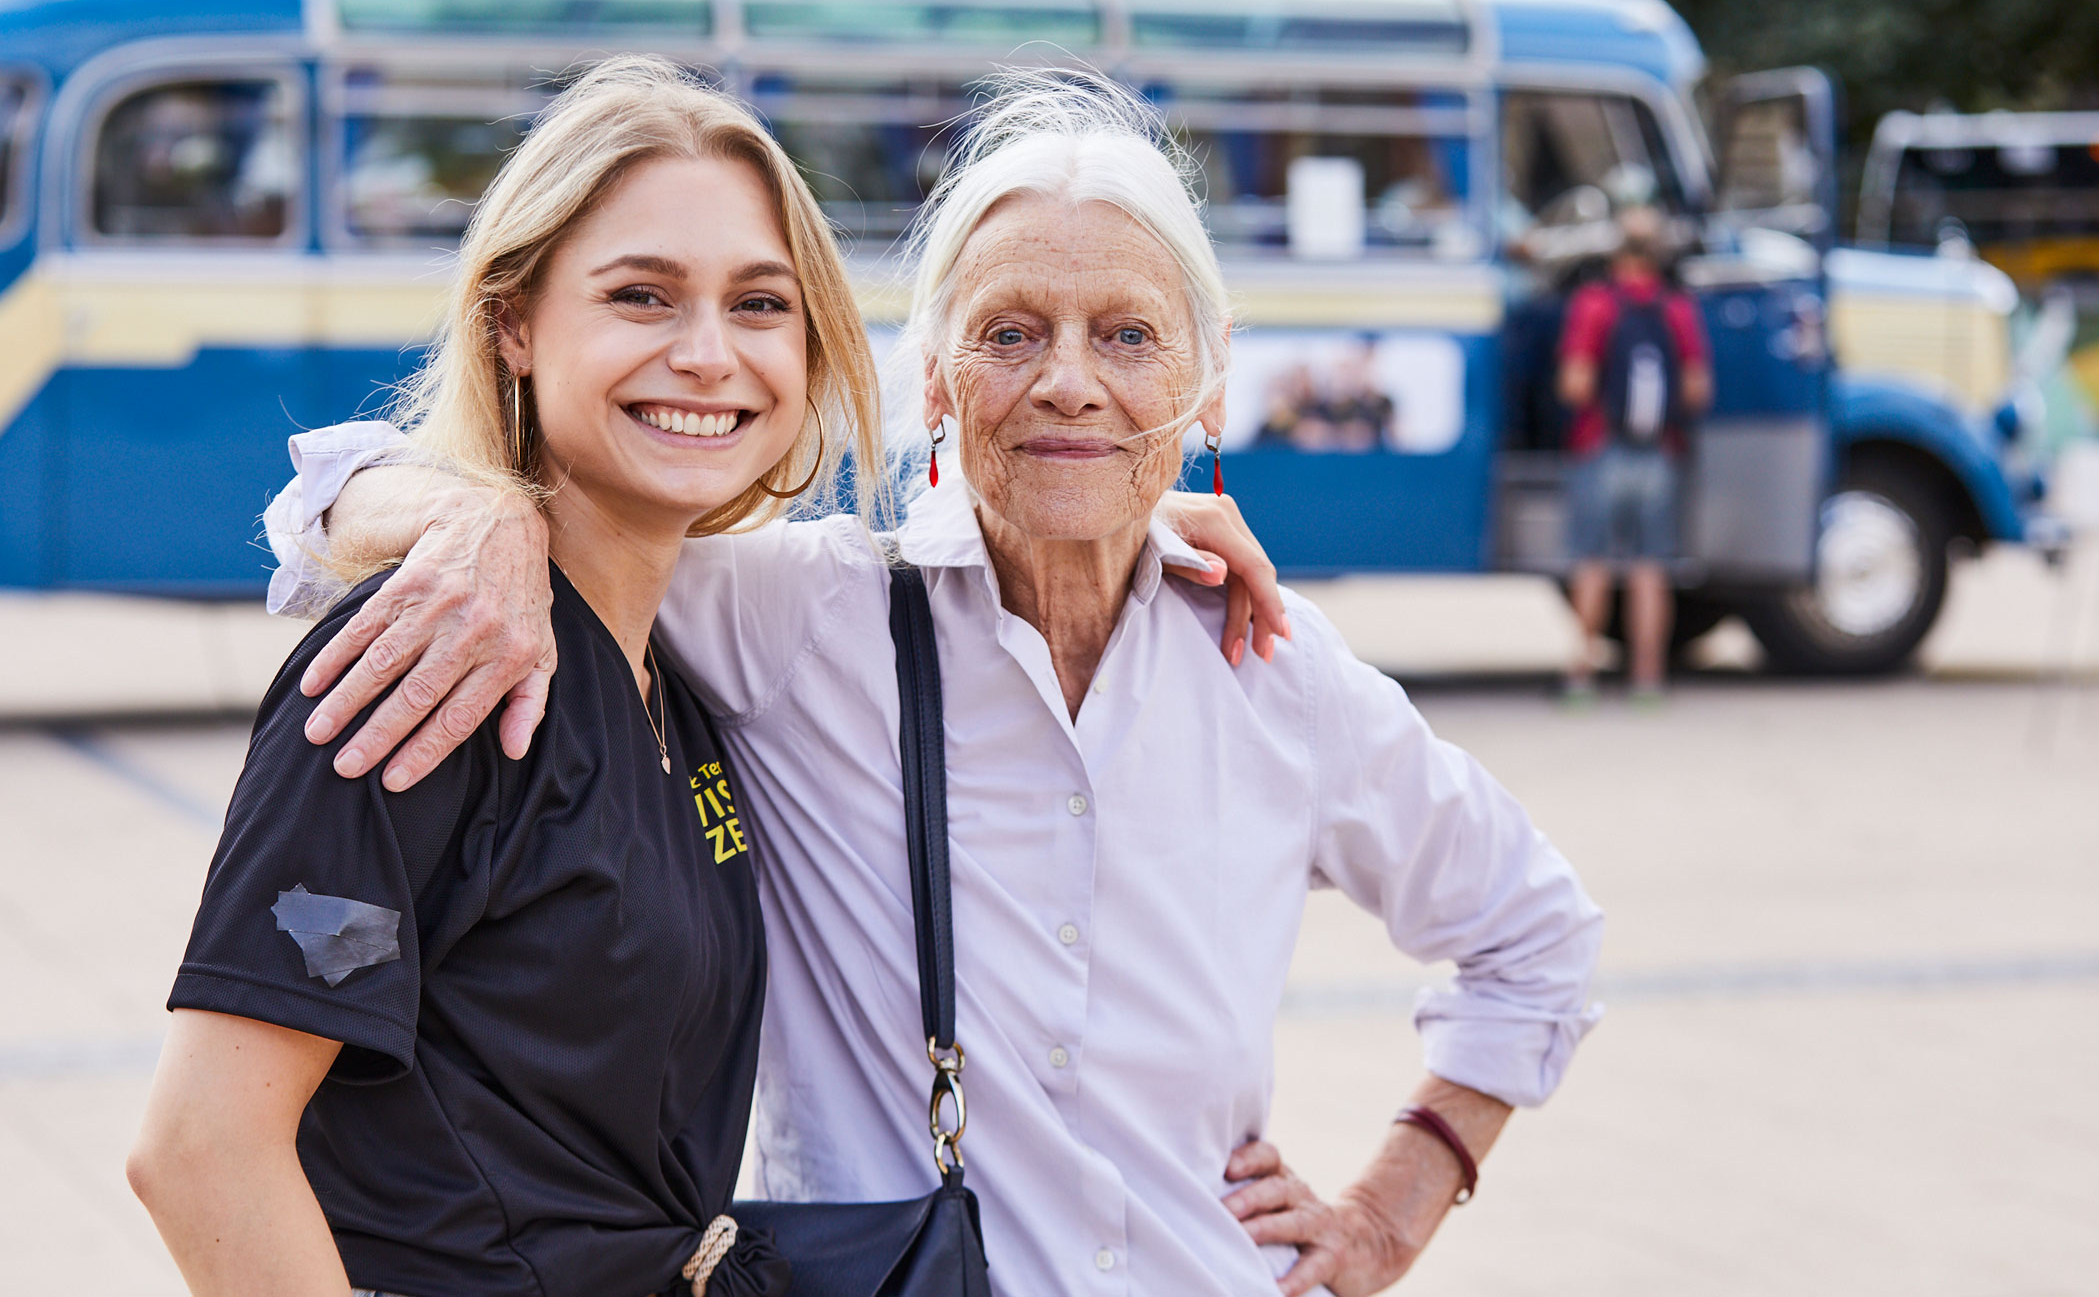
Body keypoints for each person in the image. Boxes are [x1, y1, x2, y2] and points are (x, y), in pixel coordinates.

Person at [271, 72, 1603, 1297]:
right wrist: (479, 519)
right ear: (935, 379)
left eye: (1128, 336)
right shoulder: (805, 614)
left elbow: (1535, 935)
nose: (1068, 382)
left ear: (1204, 388)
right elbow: (317, 502)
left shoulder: (1272, 668)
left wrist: (1390, 1203)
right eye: (1010, 331)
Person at [125, 58, 889, 1297]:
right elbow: (202, 1148)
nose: (708, 354)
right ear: (514, 325)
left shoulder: (677, 672)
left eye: (761, 305)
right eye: (641, 295)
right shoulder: (429, 663)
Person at [1554, 205, 1713, 704]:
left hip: (1599, 446)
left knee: (1593, 563)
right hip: (1658, 452)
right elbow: (1696, 389)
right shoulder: (1677, 308)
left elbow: (1575, 383)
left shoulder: (1594, 304)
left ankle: (1582, 671)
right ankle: (1647, 678)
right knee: (1650, 568)